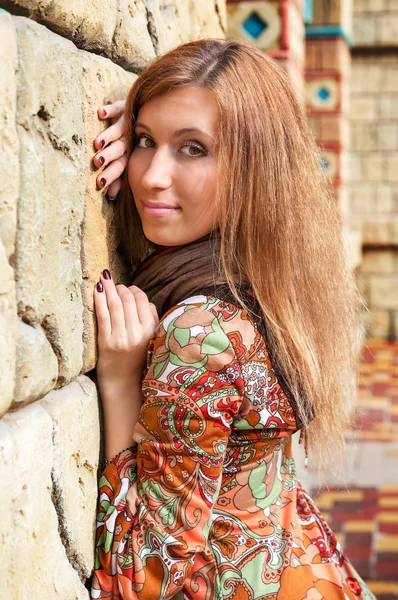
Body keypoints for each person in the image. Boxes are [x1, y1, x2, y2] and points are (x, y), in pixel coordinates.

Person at [90, 39, 374, 600]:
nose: (150, 177)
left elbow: (143, 582)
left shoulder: (199, 335)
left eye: (194, 149)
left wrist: (119, 380)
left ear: (254, 169)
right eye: (145, 141)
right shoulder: (271, 281)